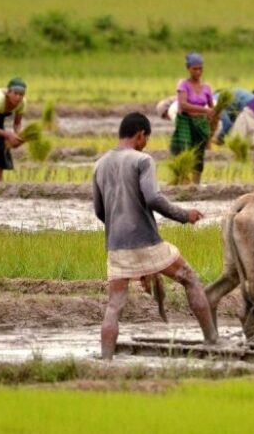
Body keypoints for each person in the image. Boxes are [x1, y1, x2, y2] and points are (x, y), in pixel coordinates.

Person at [93, 113, 218, 360]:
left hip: (116, 247)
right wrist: (185, 215)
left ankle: (105, 360)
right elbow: (153, 198)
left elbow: (100, 211)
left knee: (114, 306)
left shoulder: (100, 164)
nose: (146, 144)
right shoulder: (142, 160)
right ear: (140, 134)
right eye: (146, 139)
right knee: (191, 279)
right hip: (147, 242)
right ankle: (213, 341)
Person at [170, 52, 216, 183]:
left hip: (201, 125)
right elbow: (183, 105)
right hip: (185, 122)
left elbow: (212, 109)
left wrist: (212, 120)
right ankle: (181, 181)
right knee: (183, 151)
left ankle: (195, 185)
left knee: (198, 155)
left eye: (200, 68)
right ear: (188, 69)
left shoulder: (206, 87)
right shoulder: (183, 84)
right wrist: (204, 110)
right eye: (195, 69)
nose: (198, 72)